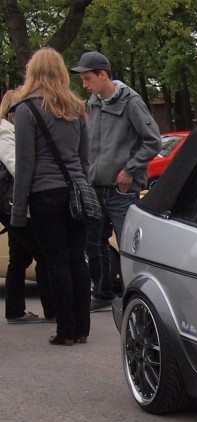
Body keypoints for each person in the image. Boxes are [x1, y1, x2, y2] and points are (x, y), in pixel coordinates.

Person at [11, 47, 91, 346]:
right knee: (78, 260)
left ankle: (65, 330)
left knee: (56, 261)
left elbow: (25, 164)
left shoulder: (26, 110)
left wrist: (18, 211)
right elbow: (84, 159)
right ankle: (82, 329)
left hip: (44, 194)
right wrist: (82, 186)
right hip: (76, 191)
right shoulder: (77, 108)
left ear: (32, 72)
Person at [70, 51, 160, 312]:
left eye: (88, 78)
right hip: (95, 186)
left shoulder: (131, 102)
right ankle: (102, 293)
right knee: (94, 244)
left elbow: (153, 140)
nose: (84, 85)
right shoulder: (93, 102)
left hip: (121, 189)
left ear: (103, 75)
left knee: (127, 244)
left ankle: (136, 295)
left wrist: (129, 170)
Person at [1, 89, 54, 324]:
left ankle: (15, 311)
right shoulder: (5, 134)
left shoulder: (8, 133)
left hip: (11, 205)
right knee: (43, 254)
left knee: (20, 257)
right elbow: (17, 167)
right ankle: (52, 309)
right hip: (13, 204)